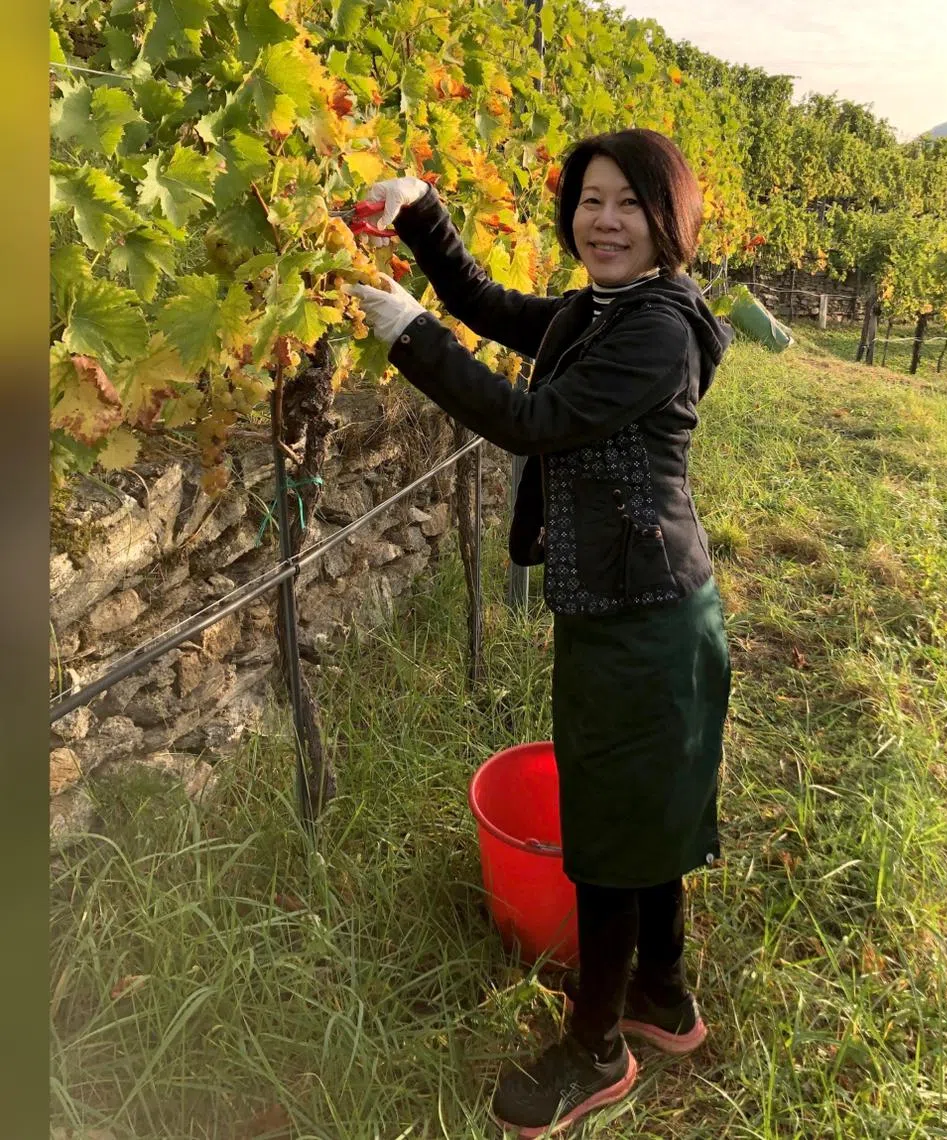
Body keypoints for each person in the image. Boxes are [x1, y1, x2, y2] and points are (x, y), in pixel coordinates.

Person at [349, 128, 733, 1137]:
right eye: (589, 201)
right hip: (632, 607)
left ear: (670, 220)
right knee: (641, 816)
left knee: (608, 837)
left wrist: (409, 338)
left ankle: (595, 1050)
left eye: (628, 204)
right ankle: (661, 995)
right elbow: (489, 306)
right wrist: (423, 212)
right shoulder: (603, 310)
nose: (603, 221)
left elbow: (535, 419)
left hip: (645, 620)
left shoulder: (657, 330)